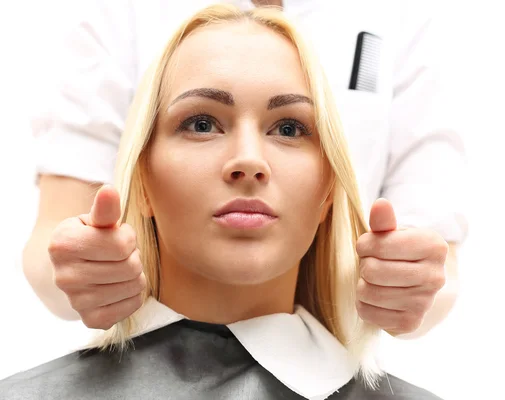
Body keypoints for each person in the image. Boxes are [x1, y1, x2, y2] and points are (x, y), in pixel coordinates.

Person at [2, 5, 444, 399]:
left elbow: (439, 254)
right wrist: (81, 269)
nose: (249, 161)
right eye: (200, 123)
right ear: (141, 181)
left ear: (330, 190)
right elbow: (54, 235)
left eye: (289, 128)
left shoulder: (406, 19)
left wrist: (410, 281)